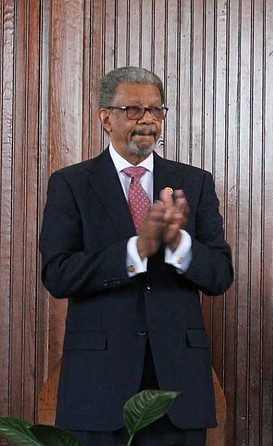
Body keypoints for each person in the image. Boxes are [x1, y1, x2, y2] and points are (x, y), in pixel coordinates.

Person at [39, 66, 234, 445]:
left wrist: (179, 246)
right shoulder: (71, 184)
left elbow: (220, 275)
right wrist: (136, 250)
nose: (147, 119)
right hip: (98, 388)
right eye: (133, 110)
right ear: (105, 118)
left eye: (156, 110)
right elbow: (58, 274)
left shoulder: (194, 182)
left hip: (177, 389)